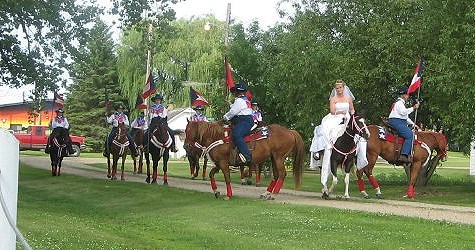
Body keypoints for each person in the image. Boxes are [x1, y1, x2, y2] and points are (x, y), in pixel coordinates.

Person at [309, 80, 355, 189]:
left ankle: (356, 153)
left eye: (340, 88)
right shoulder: (333, 99)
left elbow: (352, 110)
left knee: (357, 133)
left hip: (347, 118)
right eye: (337, 88)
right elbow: (332, 110)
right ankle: (324, 149)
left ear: (344, 88)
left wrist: (353, 117)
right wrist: (341, 113)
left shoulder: (348, 99)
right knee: (326, 129)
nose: (339, 90)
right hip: (335, 117)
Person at [223, 81, 254, 165]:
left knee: (237, 134)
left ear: (237, 92)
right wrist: (230, 104)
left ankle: (247, 156)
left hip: (244, 120)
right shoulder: (243, 100)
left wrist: (225, 117)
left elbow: (233, 112)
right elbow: (236, 109)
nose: (233, 93)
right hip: (245, 120)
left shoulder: (239, 101)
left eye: (234, 92)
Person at [388, 86, 420, 163]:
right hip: (396, 122)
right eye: (407, 95)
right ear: (403, 95)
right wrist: (413, 108)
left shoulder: (399, 103)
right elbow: (404, 112)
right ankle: (403, 155)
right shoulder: (399, 103)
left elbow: (405, 117)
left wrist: (414, 124)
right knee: (410, 135)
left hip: (399, 121)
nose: (408, 96)